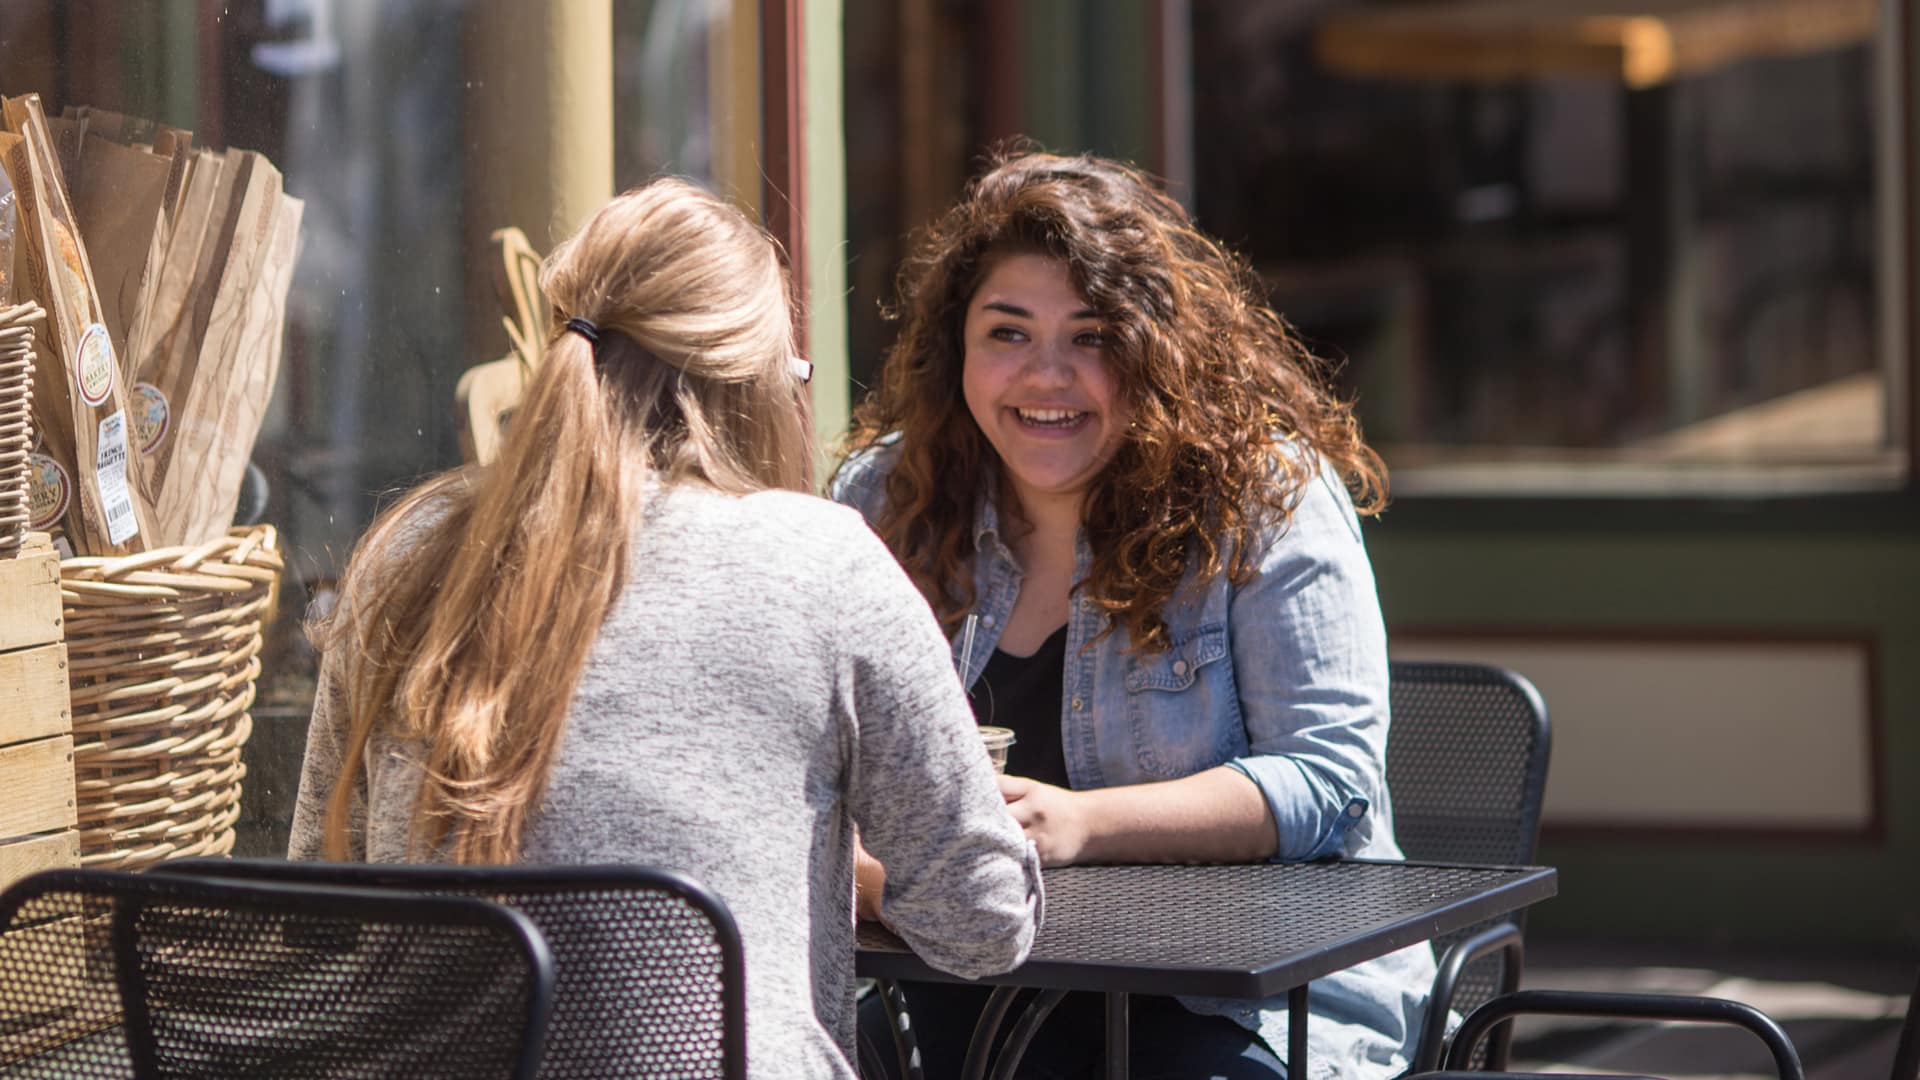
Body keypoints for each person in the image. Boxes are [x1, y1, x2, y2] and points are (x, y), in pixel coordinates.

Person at [288, 179, 1042, 1080]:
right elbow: (982, 922)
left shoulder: (405, 554)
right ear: (757, 383)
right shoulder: (822, 561)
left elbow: (318, 912)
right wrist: (862, 875)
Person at [833, 151, 1436, 1079]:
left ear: (1154, 351)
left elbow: (1326, 778)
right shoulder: (885, 495)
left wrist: (1082, 823)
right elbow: (815, 757)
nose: (1047, 375)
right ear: (957, 349)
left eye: (1092, 337)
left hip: (1240, 1007)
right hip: (951, 985)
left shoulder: (1263, 496)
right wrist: (869, 869)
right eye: (1007, 333)